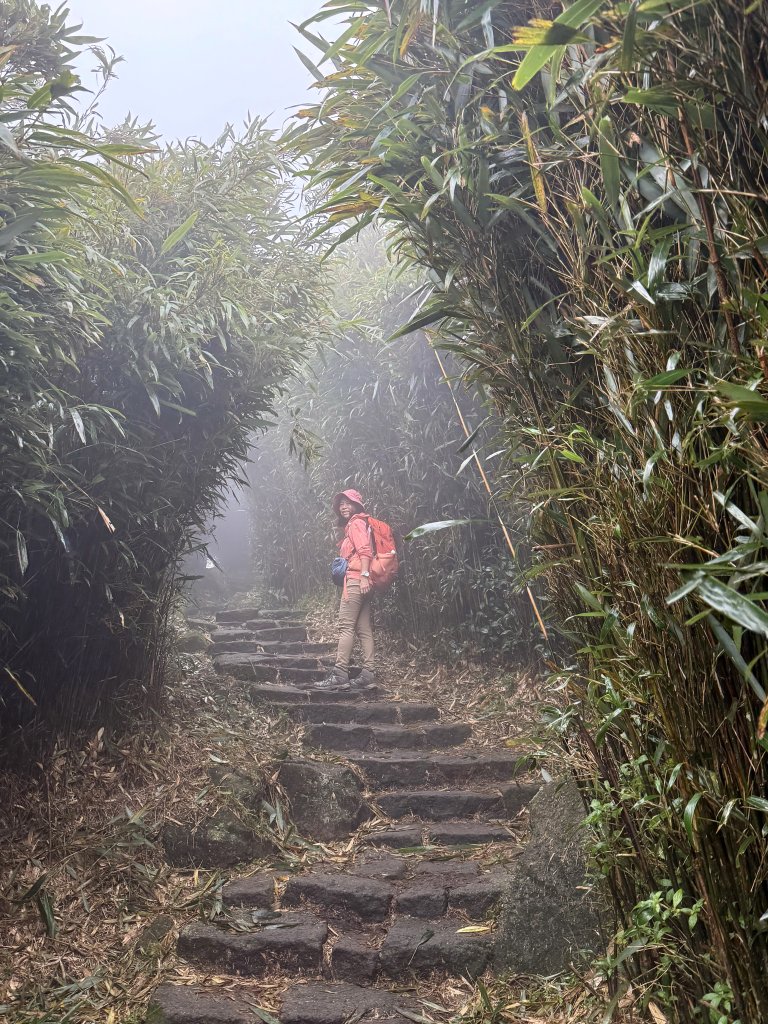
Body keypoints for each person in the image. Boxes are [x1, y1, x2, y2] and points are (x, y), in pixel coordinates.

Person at [315, 488, 375, 690]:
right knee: (363, 628)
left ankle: (340, 673)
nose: (344, 507)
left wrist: (364, 576)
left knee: (346, 627)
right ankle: (368, 673)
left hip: (357, 580)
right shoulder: (359, 523)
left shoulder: (356, 523)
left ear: (357, 505)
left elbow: (365, 551)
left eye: (348, 503)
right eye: (341, 504)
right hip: (363, 581)